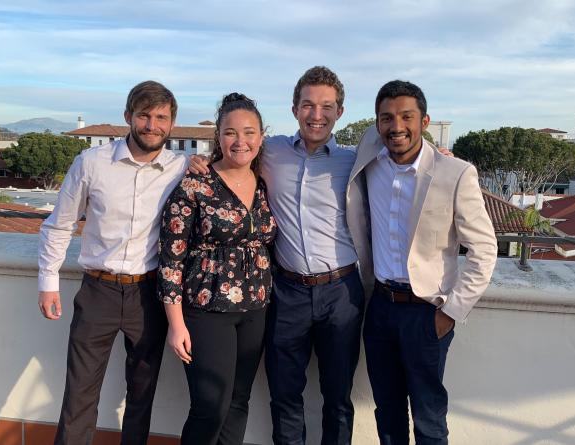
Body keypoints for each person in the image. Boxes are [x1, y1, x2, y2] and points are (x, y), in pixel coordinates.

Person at [189, 66, 364, 445]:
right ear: (294, 108)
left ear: (340, 112)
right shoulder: (272, 152)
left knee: (337, 398)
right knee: (284, 395)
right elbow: (234, 151)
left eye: (326, 107)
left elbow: (402, 161)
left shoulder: (354, 160)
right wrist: (193, 161)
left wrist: (438, 152)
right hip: (287, 293)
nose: (316, 115)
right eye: (308, 105)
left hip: (342, 292)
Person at [346, 80, 497, 444]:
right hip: (380, 308)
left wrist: (450, 312)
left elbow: (485, 249)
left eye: (406, 116)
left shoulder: (455, 173)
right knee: (388, 412)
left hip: (427, 312)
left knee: (429, 417)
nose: (396, 126)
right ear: (376, 123)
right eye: (386, 118)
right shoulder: (370, 153)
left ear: (425, 121)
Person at [38, 80, 188, 445]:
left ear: (171, 123)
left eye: (161, 118)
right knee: (79, 394)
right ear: (128, 117)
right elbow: (60, 224)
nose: (152, 125)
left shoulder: (181, 166)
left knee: (141, 395)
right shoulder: (91, 163)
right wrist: (48, 281)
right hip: (97, 292)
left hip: (149, 295)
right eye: (144, 116)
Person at [158, 93, 277, 445]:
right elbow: (171, 257)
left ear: (261, 136)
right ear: (218, 137)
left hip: (256, 308)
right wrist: (175, 323)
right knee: (210, 404)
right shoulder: (195, 183)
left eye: (249, 132)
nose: (240, 141)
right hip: (206, 310)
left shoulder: (266, 182)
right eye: (230, 133)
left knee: (239, 402)